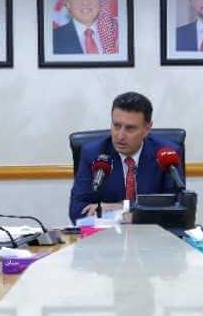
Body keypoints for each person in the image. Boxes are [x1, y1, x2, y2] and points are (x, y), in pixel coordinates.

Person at [69, 92, 185, 222]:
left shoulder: (167, 154)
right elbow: (76, 210)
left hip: (154, 233)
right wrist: (130, 214)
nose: (120, 136)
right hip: (108, 233)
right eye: (116, 126)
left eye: (130, 128)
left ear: (147, 129)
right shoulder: (93, 154)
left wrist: (124, 207)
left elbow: (177, 207)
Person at [52, 0, 118, 55]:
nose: (86, 2)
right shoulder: (53, 39)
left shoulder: (117, 33)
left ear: (100, 1)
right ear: (68, 4)